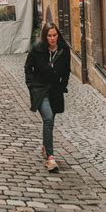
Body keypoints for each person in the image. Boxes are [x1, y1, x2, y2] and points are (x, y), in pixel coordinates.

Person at [24, 22, 71, 172]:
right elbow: (28, 67)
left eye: (54, 35)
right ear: (45, 36)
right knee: (48, 118)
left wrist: (63, 85)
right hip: (40, 90)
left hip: (55, 91)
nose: (52, 38)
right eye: (49, 35)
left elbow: (67, 71)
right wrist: (31, 85)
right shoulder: (37, 50)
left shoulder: (64, 50)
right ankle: (50, 158)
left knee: (50, 122)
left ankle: (45, 146)